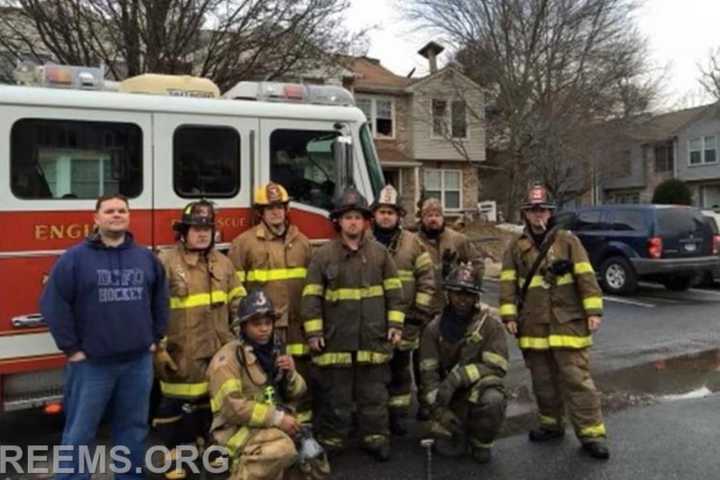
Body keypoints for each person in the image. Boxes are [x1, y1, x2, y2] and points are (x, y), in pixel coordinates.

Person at [40, 194, 169, 480]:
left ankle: (130, 476)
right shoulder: (74, 259)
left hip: (137, 362)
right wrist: (72, 349)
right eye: (109, 211)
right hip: (91, 365)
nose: (116, 215)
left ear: (128, 216)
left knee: (133, 428)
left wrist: (155, 338)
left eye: (122, 210)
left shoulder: (145, 258)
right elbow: (53, 305)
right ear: (96, 218)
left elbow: (161, 301)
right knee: (80, 431)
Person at [499, 185, 609, 460]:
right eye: (533, 210)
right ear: (525, 214)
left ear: (550, 213)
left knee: (577, 380)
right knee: (543, 381)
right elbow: (508, 283)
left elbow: (586, 276)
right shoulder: (516, 246)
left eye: (543, 210)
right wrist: (509, 315)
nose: (538, 215)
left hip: (567, 322)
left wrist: (593, 311)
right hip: (533, 324)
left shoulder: (568, 241)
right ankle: (551, 425)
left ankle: (592, 434)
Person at [300, 186, 404, 461]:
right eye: (347, 218)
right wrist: (314, 332)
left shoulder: (381, 254)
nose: (353, 222)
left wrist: (394, 326)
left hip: (373, 338)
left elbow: (395, 293)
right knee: (337, 397)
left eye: (358, 217)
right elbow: (311, 296)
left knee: (374, 396)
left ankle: (376, 440)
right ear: (338, 221)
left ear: (365, 221)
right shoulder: (323, 256)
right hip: (336, 339)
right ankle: (333, 441)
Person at [153, 200, 246, 479]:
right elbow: (152, 307)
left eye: (207, 228)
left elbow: (237, 300)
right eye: (196, 228)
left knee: (211, 405)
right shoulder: (166, 262)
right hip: (180, 352)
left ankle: (207, 451)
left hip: (218, 350)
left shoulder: (224, 262)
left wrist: (242, 340)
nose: (202, 233)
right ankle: (174, 459)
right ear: (183, 232)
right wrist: (158, 346)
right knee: (173, 408)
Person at [207, 289, 329, 480]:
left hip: (269, 424)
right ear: (243, 326)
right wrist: (277, 419)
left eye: (268, 323)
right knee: (282, 450)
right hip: (236, 431)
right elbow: (232, 408)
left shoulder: (274, 350)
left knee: (316, 464)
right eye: (257, 324)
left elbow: (298, 393)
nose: (264, 329)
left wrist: (290, 374)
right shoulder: (228, 359)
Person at [229, 182, 313, 425]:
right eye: (269, 208)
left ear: (287, 209)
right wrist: (241, 328)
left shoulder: (303, 242)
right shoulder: (244, 243)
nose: (276, 212)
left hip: (298, 325)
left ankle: (303, 429)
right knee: (265, 379)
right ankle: (275, 428)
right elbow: (236, 292)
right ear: (260, 213)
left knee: (299, 375)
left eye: (279, 207)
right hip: (263, 328)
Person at [419, 263, 508, 464]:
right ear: (448, 294)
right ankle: (452, 425)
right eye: (457, 293)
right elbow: (428, 377)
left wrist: (459, 377)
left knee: (493, 400)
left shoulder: (489, 326)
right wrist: (440, 411)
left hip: (477, 391)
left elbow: (498, 366)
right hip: (445, 395)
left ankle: (481, 442)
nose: (462, 300)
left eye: (468, 294)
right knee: (447, 449)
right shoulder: (433, 330)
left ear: (476, 297)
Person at [369, 185, 436, 435]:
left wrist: (419, 312)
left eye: (391, 212)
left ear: (399, 216)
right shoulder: (364, 242)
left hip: (406, 322)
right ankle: (377, 417)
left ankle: (397, 416)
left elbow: (427, 280)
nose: (386, 216)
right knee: (375, 373)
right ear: (374, 215)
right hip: (373, 323)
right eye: (382, 211)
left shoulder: (414, 244)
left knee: (400, 369)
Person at [415, 197, 487, 418]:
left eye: (437, 215)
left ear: (443, 217)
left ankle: (452, 399)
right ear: (422, 218)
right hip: (423, 310)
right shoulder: (413, 242)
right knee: (424, 359)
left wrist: (464, 279)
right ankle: (426, 402)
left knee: (453, 354)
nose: (433, 219)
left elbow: (478, 263)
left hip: (453, 309)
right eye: (429, 215)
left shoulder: (458, 240)